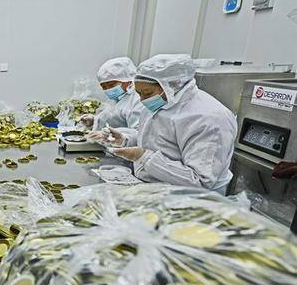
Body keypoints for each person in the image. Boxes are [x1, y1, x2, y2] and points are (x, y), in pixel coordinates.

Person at [92, 54, 237, 194]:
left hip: (191, 200)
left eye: (147, 93)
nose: (142, 100)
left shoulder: (208, 119)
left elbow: (200, 182)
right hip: (156, 190)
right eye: (139, 93)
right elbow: (156, 140)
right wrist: (125, 139)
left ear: (173, 85)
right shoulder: (162, 102)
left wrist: (144, 158)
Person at [80, 57, 146, 131]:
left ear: (128, 80)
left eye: (111, 85)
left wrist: (117, 136)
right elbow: (111, 118)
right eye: (104, 86)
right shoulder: (117, 97)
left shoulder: (138, 99)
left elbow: (137, 132)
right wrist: (94, 120)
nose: (108, 89)